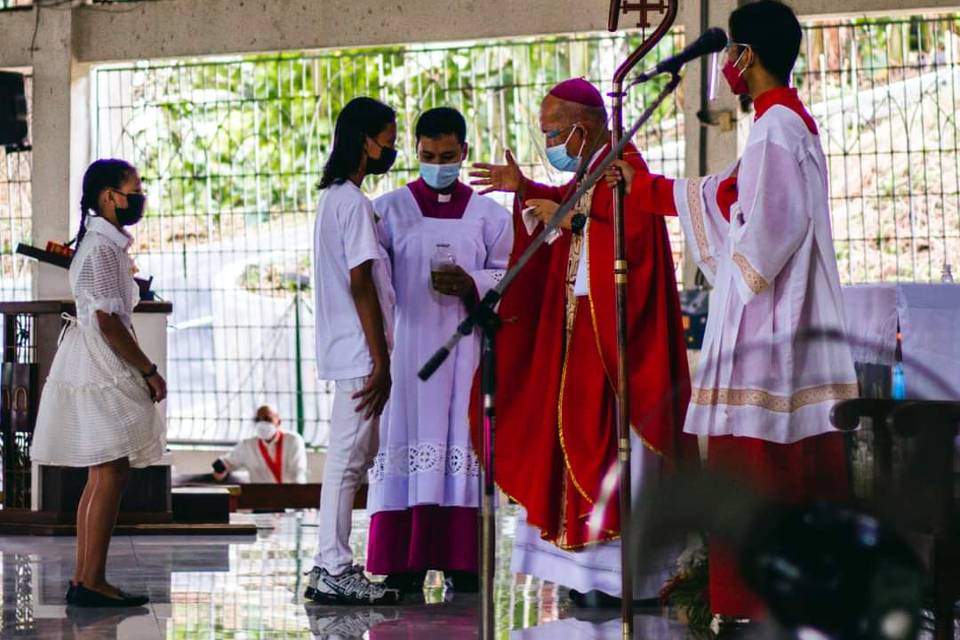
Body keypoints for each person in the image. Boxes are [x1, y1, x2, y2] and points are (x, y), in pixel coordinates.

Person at [608, 0, 856, 619]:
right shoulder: (784, 123)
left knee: (761, 462)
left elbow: (767, 227)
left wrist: (737, 277)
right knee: (790, 454)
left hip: (772, 319)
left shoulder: (776, 129)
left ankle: (757, 600)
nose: (724, 65)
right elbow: (726, 196)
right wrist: (651, 191)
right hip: (786, 314)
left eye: (729, 53)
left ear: (746, 56)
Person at [468, 78, 696, 606]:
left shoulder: (623, 166)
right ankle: (588, 576)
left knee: (612, 449)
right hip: (583, 335)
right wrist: (527, 189)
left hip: (616, 347)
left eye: (552, 132)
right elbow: (579, 208)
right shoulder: (596, 168)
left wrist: (568, 217)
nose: (548, 142)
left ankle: (625, 580)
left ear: (584, 127)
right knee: (573, 442)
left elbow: (627, 236)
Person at [365, 107, 512, 593]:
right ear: (416, 151)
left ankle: (461, 560)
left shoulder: (490, 215)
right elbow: (372, 284)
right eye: (427, 156)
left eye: (448, 156)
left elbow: (513, 277)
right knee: (408, 443)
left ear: (464, 152)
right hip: (408, 355)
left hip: (466, 355)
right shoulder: (389, 210)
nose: (437, 164)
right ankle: (404, 561)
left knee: (461, 445)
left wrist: (473, 282)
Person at [31, 159, 166, 608]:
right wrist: (147, 369)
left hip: (91, 357)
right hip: (101, 361)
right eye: (134, 189)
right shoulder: (103, 249)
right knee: (110, 470)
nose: (139, 197)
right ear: (109, 196)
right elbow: (108, 321)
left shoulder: (101, 243)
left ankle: (85, 578)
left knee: (103, 472)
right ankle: (91, 581)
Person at [303, 96, 401, 606]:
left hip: (352, 348)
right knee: (346, 460)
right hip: (363, 353)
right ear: (364, 140)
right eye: (387, 137)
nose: (392, 147)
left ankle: (329, 566)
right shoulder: (354, 203)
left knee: (352, 456)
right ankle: (333, 565)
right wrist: (381, 358)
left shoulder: (334, 198)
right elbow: (360, 279)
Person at [211, 405, 308, 484]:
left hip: (289, 501)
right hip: (261, 502)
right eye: (258, 420)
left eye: (267, 419)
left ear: (278, 421)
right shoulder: (248, 445)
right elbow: (227, 463)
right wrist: (220, 468)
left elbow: (298, 472)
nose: (262, 423)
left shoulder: (293, 440)